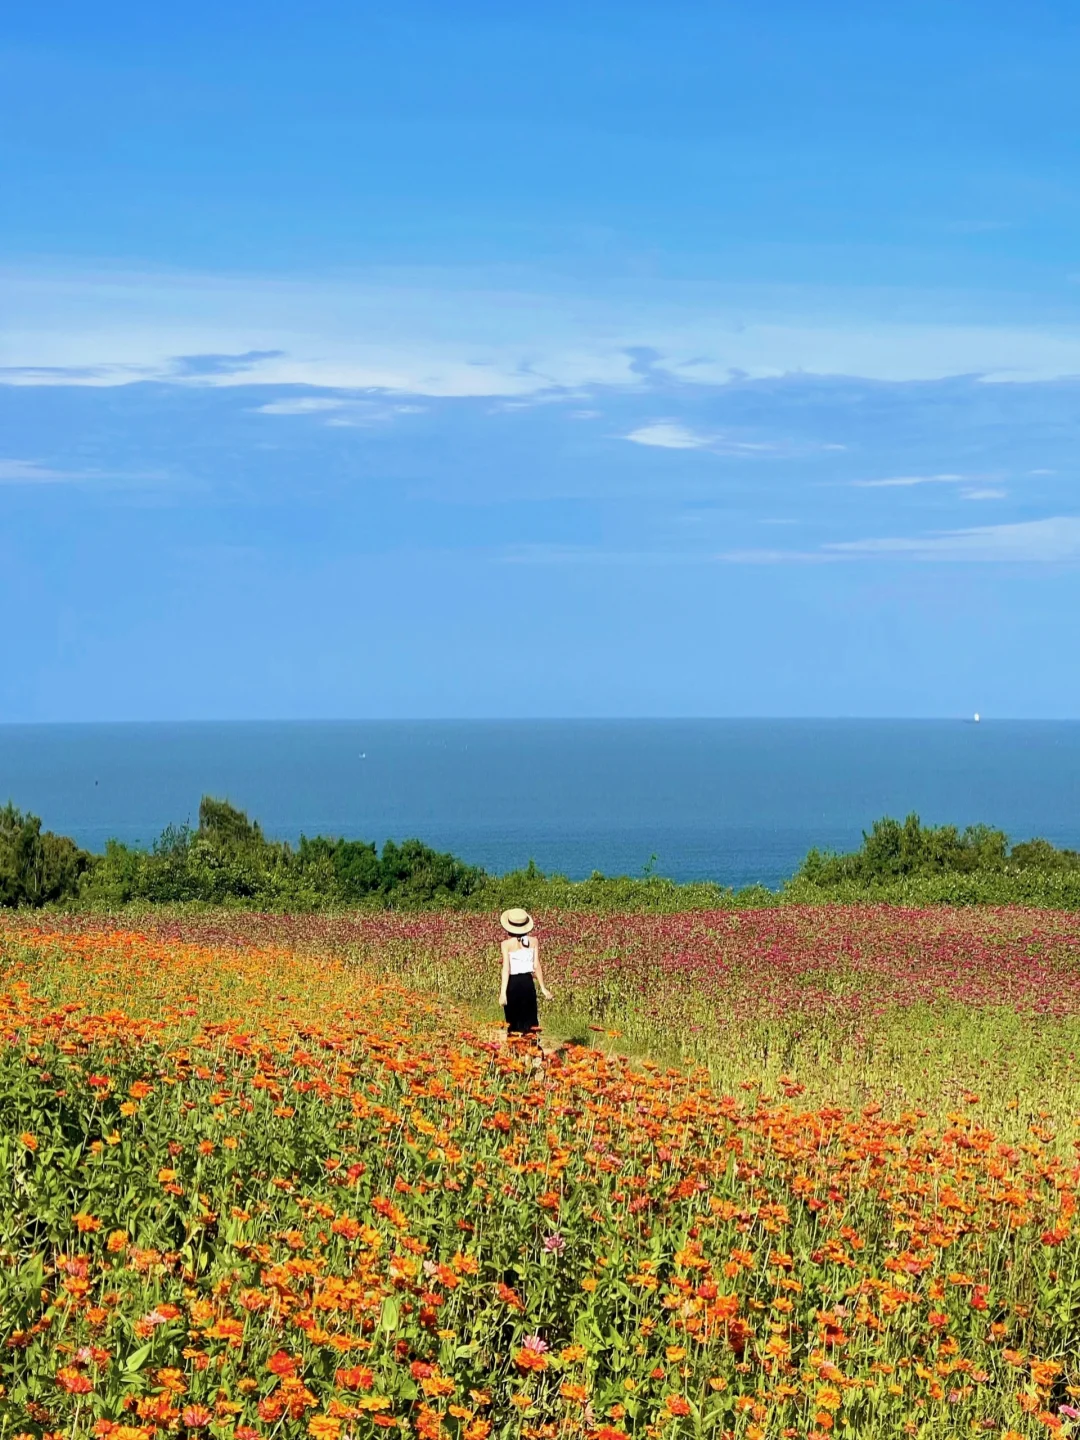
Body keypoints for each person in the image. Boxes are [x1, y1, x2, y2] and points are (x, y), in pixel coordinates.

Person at [499, 907, 552, 1037]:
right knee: (530, 1018)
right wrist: (543, 988)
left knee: (513, 1020)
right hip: (528, 983)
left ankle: (515, 1051)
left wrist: (503, 993)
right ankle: (531, 1049)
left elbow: (506, 969)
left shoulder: (506, 944)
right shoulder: (534, 941)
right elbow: (536, 965)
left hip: (513, 984)